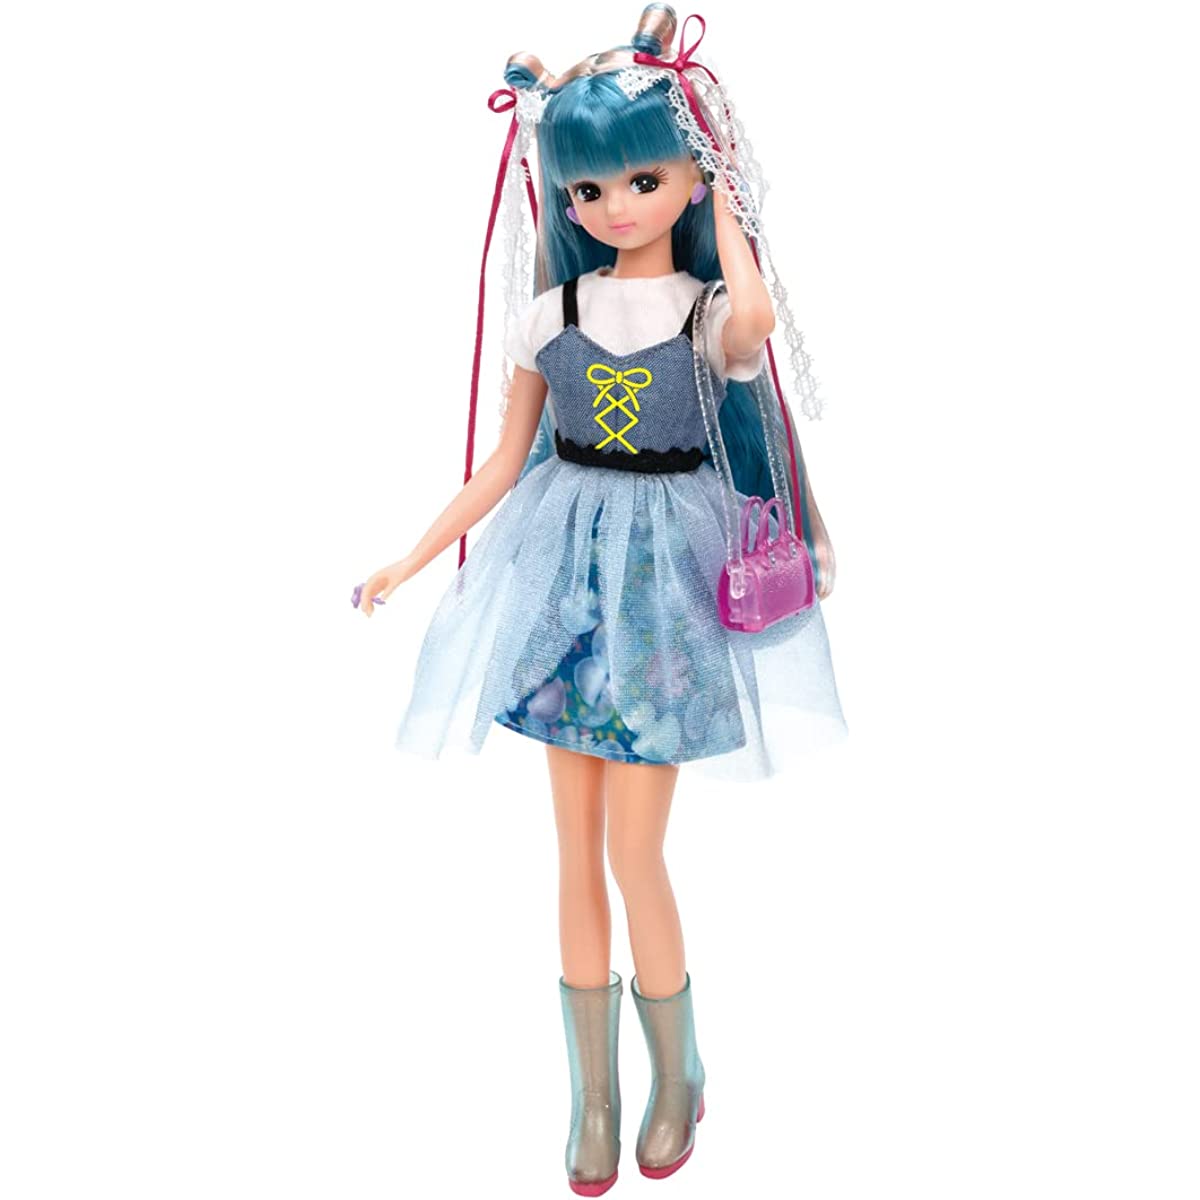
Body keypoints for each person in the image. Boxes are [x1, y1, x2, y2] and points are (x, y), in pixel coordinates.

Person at [354, 7, 847, 1192]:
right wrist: (409, 559)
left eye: (643, 179)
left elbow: (756, 323)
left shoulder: (703, 313)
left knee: (636, 850)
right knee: (572, 848)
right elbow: (498, 465)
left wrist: (729, 198)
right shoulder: (553, 316)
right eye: (589, 189)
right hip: (563, 587)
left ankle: (679, 1073)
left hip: (660, 593)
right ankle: (594, 1094)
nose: (615, 205)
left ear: (687, 179)